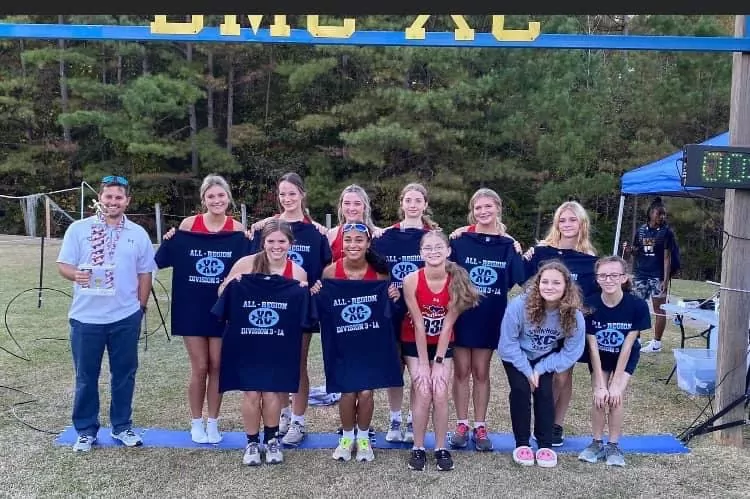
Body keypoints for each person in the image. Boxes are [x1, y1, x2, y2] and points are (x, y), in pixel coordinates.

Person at [56, 175, 155, 452]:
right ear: (100, 198)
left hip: (124, 317)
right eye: (108, 196)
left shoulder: (138, 233)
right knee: (86, 376)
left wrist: (140, 308)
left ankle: (122, 426)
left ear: (127, 201)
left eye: (118, 197)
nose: (113, 201)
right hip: (86, 318)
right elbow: (63, 264)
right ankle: (86, 430)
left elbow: (145, 273)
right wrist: (76, 274)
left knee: (124, 374)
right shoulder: (79, 229)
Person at [158, 174, 246, 444]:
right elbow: (161, 259)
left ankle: (213, 423)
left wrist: (251, 240)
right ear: (203, 199)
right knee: (200, 366)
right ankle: (196, 422)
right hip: (191, 307)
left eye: (221, 195)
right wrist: (170, 238)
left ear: (228, 198)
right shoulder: (189, 225)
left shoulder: (238, 230)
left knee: (218, 365)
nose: (216, 200)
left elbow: (249, 266)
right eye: (211, 196)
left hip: (223, 309)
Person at [213, 219, 309, 466]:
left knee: (272, 391)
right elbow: (222, 294)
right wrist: (231, 283)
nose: (276, 246)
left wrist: (305, 290)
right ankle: (252, 442)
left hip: (278, 342)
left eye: (282, 241)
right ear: (263, 242)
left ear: (290, 243)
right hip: (247, 339)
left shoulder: (298, 273)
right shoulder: (246, 264)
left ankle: (272, 439)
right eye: (271, 241)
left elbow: (302, 311)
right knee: (251, 392)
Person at [247, 172, 332, 446]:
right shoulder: (268, 228)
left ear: (302, 195)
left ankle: (298, 420)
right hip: (271, 308)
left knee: (298, 363)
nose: (287, 198)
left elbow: (326, 269)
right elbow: (251, 265)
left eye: (292, 193)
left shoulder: (316, 232)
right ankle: (282, 415)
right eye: (282, 194)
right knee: (278, 361)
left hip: (301, 308)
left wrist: (317, 285)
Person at [312, 221, 401, 462]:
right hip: (342, 343)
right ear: (341, 243)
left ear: (368, 243)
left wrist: (393, 296)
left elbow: (387, 310)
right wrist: (316, 292)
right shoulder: (330, 272)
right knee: (348, 392)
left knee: (366, 392)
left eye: (359, 240)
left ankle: (363, 438)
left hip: (370, 343)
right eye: (348, 240)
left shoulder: (379, 273)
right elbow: (324, 310)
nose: (353, 245)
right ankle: (346, 437)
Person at [447, 188, 525, 452]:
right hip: (462, 314)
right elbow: (444, 271)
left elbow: (520, 278)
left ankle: (480, 426)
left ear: (498, 208)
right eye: (478, 207)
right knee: (461, 371)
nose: (483, 211)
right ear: (472, 211)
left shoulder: (508, 245)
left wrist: (518, 248)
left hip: (490, 315)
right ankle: (461, 424)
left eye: (488, 206)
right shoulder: (460, 240)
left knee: (481, 371)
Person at [401, 230, 481, 471]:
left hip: (442, 343)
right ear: (420, 253)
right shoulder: (411, 280)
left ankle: (440, 448)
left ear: (448, 251)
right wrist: (423, 364)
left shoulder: (457, 281)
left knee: (440, 389)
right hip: (415, 342)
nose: (433, 252)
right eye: (428, 248)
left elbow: (447, 326)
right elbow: (418, 324)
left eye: (438, 247)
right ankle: (417, 447)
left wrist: (437, 363)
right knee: (423, 389)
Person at [522, 200, 598, 446]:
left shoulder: (590, 259)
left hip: (570, 326)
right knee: (541, 377)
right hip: (542, 326)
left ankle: (555, 424)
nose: (567, 224)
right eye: (562, 220)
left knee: (563, 377)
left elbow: (593, 294)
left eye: (572, 219)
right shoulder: (541, 253)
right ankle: (541, 421)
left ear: (582, 223)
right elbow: (522, 279)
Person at [499, 260, 586, 468]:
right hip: (516, 354)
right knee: (521, 390)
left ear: (566, 286)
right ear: (537, 283)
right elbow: (508, 343)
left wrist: (540, 368)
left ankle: (545, 444)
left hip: (545, 356)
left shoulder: (574, 314)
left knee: (545, 392)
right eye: (545, 282)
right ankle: (522, 444)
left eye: (556, 283)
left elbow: (571, 351)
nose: (549, 287)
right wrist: (527, 371)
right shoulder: (519, 305)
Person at [372, 182, 439, 443]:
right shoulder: (385, 237)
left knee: (418, 369)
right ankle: (395, 418)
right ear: (401, 203)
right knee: (395, 368)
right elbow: (373, 271)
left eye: (418, 200)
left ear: (425, 204)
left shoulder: (433, 237)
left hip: (423, 314)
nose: (412, 205)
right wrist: (386, 288)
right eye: (408, 200)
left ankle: (413, 419)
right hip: (392, 312)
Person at [578, 256, 650, 467]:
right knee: (600, 396)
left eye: (614, 275)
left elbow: (628, 346)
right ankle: (596, 443)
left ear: (623, 278)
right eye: (603, 275)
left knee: (615, 397)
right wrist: (601, 385)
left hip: (624, 357)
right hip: (599, 356)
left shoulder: (637, 305)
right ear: (597, 278)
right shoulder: (589, 304)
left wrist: (616, 383)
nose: (608, 279)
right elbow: (592, 346)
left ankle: (613, 445)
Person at [622, 196, 676, 353]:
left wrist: (665, 279)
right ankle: (636, 338)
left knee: (659, 308)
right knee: (637, 306)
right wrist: (628, 250)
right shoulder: (641, 230)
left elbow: (667, 258)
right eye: (659, 214)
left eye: (664, 214)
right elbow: (636, 251)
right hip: (641, 274)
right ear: (651, 213)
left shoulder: (666, 232)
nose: (662, 217)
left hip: (657, 275)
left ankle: (656, 343)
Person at [327, 185, 381, 261]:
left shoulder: (378, 234)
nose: (351, 208)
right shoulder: (332, 235)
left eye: (357, 203)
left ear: (365, 207)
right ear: (341, 206)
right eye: (347, 203)